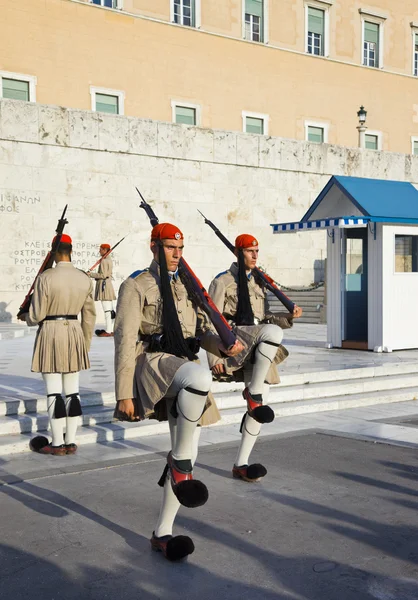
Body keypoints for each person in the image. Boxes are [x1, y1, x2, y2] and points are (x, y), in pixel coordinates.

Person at [114, 223, 243, 561]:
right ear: (154, 246)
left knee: (188, 449)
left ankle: (163, 532)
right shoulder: (136, 285)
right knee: (200, 378)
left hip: (183, 360)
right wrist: (123, 392)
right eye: (171, 247)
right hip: (154, 362)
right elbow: (125, 340)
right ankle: (181, 466)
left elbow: (201, 333)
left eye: (180, 248)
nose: (176, 255)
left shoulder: (186, 286)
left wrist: (221, 346)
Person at [207, 233, 302, 483]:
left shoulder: (258, 282)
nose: (255, 256)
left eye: (257, 251)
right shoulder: (223, 282)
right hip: (236, 344)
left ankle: (241, 463)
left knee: (259, 409)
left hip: (260, 347)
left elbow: (265, 317)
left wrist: (289, 316)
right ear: (239, 253)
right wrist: (212, 358)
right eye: (250, 251)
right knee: (273, 334)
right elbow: (209, 321)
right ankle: (254, 395)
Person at [19, 234, 96, 455]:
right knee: (72, 393)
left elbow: (37, 315)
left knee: (54, 393)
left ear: (54, 252)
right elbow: (89, 316)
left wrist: (26, 316)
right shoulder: (83, 278)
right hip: (74, 332)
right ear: (71, 250)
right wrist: (84, 343)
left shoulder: (47, 277)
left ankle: (56, 444)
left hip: (51, 333)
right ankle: (71, 442)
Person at [88, 243, 117, 337]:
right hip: (107, 284)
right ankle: (111, 329)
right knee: (110, 309)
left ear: (105, 250)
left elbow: (103, 275)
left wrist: (90, 274)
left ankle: (108, 331)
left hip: (104, 286)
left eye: (101, 249)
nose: (99, 251)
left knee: (107, 310)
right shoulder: (108, 259)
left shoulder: (104, 261)